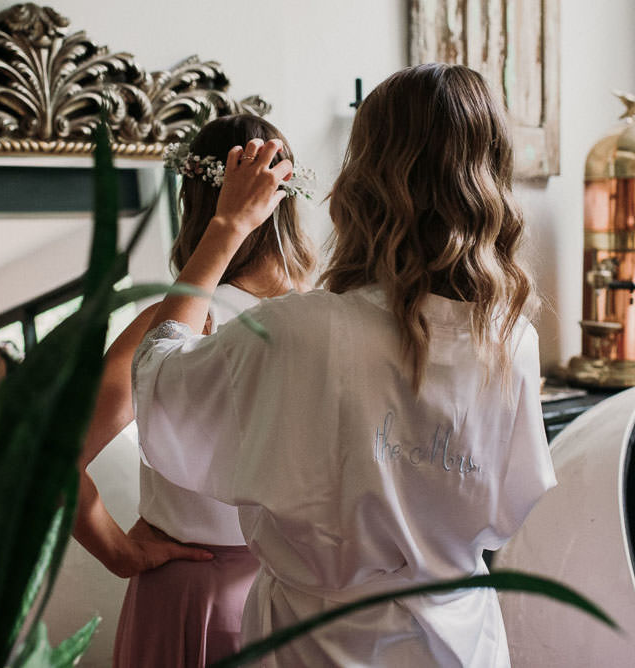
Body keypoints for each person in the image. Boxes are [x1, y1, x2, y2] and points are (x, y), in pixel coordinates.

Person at [132, 63, 556, 667]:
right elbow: (513, 502)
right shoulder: (512, 339)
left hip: (320, 643)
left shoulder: (296, 330)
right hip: (460, 639)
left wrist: (224, 227)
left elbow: (159, 379)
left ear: (366, 179)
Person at [72, 114, 318, 668]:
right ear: (289, 198)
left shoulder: (168, 325)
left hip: (192, 599)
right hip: (310, 599)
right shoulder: (331, 316)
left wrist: (120, 552)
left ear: (194, 204)